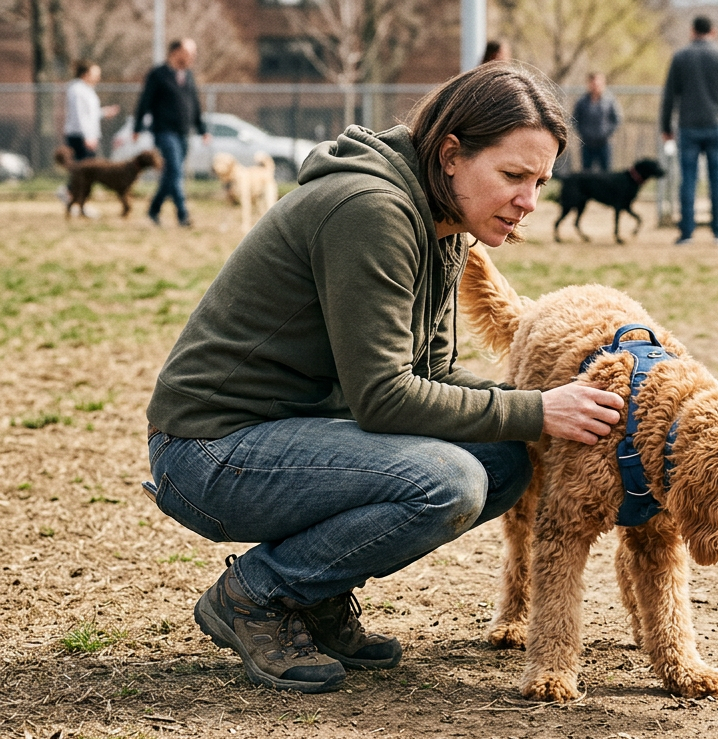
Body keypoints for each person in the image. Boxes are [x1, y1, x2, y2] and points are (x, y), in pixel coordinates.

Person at [144, 62, 624, 694]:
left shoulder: (445, 225)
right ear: (451, 155)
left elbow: (434, 374)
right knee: (448, 483)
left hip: (293, 435)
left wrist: (539, 407)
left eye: (540, 181)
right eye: (513, 176)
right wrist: (536, 409)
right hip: (209, 452)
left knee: (507, 461)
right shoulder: (370, 212)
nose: (529, 202)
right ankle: (256, 594)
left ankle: (315, 597)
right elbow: (385, 397)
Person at [659, 15, 718, 246]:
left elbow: (669, 96)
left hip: (688, 126)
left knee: (688, 180)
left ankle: (687, 233)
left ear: (692, 31)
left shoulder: (680, 57)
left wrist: (666, 126)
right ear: (713, 32)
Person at [134, 39, 210, 227]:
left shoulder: (188, 76)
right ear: (175, 52)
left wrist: (202, 129)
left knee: (170, 175)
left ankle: (153, 209)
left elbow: (194, 105)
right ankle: (183, 215)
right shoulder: (158, 74)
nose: (193, 57)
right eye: (189, 52)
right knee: (175, 171)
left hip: (184, 133)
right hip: (164, 132)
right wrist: (137, 127)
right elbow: (145, 101)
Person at [58, 59, 120, 216]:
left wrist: (104, 112)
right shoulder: (77, 89)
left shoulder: (86, 89)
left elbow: (90, 114)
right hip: (80, 136)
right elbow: (80, 116)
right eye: (95, 73)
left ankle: (78, 202)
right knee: (83, 172)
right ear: (85, 74)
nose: (98, 77)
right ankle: (70, 195)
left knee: (86, 172)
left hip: (88, 135)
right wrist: (88, 137)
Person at [572, 72, 621, 172]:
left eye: (598, 83)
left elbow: (617, 119)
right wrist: (583, 133)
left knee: (605, 173)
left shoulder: (610, 101)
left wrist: (606, 133)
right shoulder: (581, 102)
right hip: (587, 143)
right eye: (593, 83)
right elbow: (575, 120)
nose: (595, 86)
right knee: (586, 172)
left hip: (604, 143)